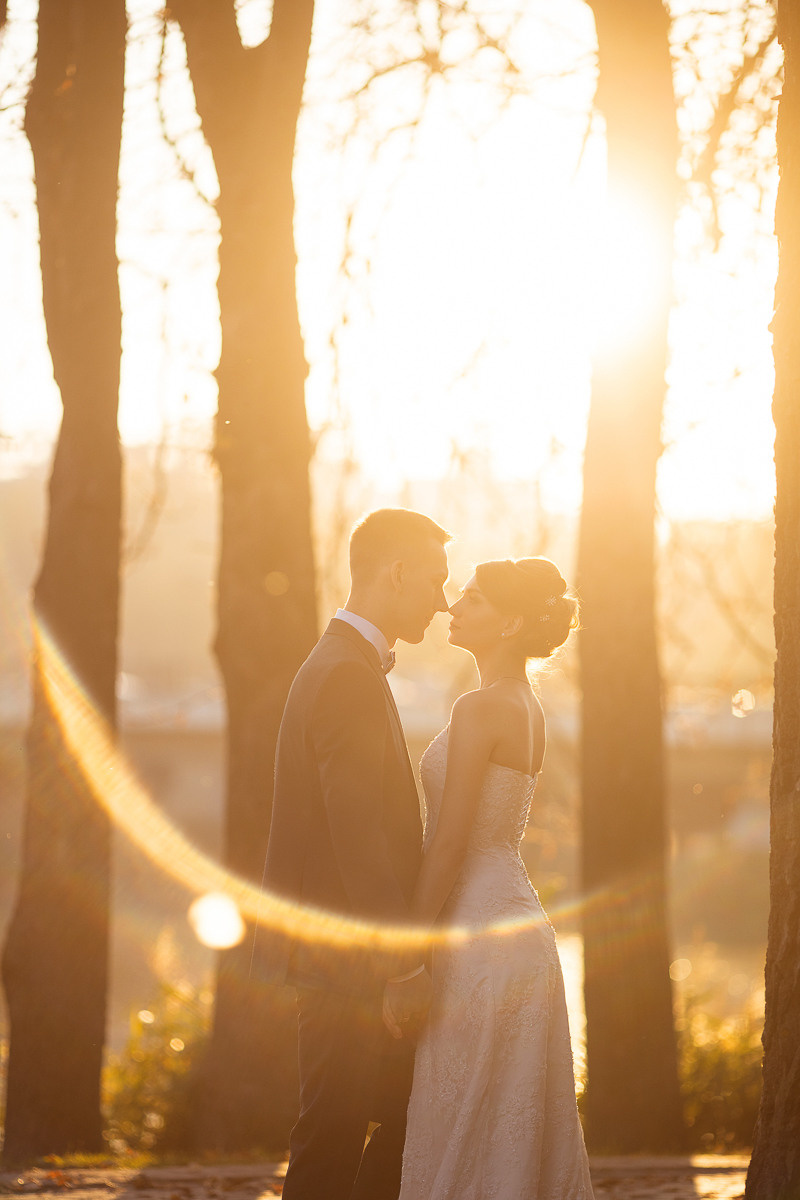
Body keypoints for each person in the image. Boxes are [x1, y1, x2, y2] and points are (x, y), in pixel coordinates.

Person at [263, 508, 451, 1200]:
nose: (443, 597)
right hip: (344, 956)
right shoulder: (346, 672)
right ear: (395, 573)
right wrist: (401, 965)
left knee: (390, 1119)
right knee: (333, 1135)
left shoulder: (344, 662)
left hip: (339, 950)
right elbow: (358, 835)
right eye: (435, 579)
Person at [395, 557, 595, 1200]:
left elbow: (450, 842)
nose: (454, 606)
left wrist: (407, 951)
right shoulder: (525, 706)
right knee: (501, 1127)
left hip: (478, 938)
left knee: (465, 1121)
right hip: (519, 933)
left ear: (510, 622)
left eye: (474, 600)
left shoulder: (482, 708)